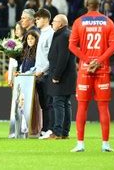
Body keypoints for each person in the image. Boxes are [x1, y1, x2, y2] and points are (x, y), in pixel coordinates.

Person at [69, 0, 114, 152]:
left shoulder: (78, 22)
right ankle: (105, 144)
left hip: (85, 69)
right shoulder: (108, 22)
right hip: (102, 69)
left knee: (82, 106)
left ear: (86, 3)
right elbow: (113, 47)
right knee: (103, 107)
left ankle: (80, 144)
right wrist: (98, 60)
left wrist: (88, 61)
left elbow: (72, 46)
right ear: (100, 3)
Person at [47, 14, 76, 140]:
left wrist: (56, 75)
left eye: (54, 21)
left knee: (58, 102)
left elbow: (62, 58)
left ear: (61, 24)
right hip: (67, 75)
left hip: (62, 76)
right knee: (65, 103)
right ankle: (64, 132)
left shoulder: (64, 36)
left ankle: (58, 132)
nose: (52, 23)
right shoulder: (64, 34)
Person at [32, 8, 55, 139]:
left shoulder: (50, 34)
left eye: (38, 18)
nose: (36, 21)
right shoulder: (41, 33)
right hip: (39, 74)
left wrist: (43, 70)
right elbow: (40, 56)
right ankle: (45, 129)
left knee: (48, 104)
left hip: (45, 74)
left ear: (46, 19)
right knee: (43, 104)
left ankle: (50, 129)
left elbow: (51, 57)